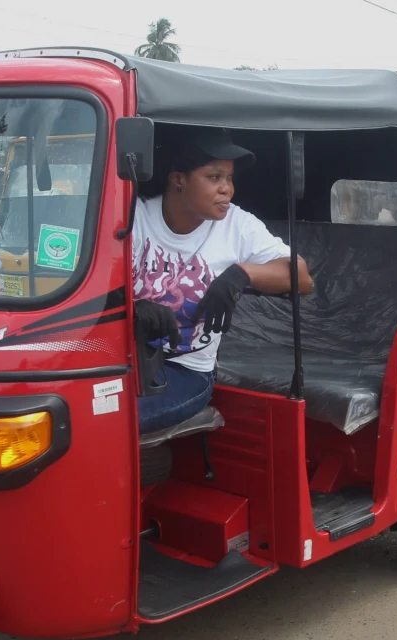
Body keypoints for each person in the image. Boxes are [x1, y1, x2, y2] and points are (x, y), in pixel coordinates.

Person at [133, 128, 313, 433]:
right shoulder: (134, 215)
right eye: (214, 177)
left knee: (110, 423)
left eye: (229, 178)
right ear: (178, 179)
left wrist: (242, 274)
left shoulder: (237, 225)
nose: (226, 189)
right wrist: (135, 306)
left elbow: (302, 277)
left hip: (185, 370)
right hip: (120, 358)